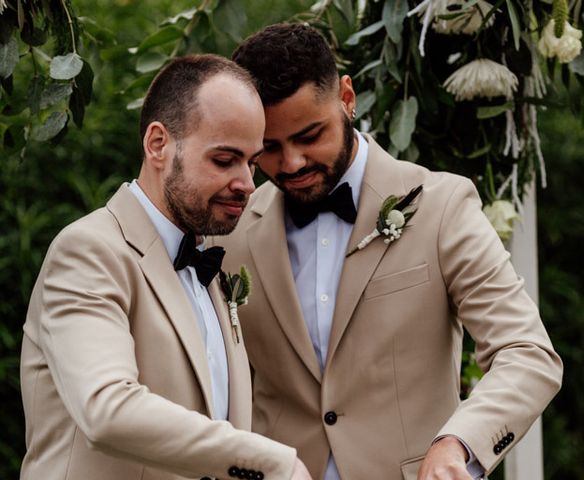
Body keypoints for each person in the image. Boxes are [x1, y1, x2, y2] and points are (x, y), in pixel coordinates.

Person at [218, 24, 563, 480]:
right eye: (270, 148)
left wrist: (458, 444)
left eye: (310, 135)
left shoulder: (442, 206)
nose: (292, 163)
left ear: (346, 97)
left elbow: (527, 352)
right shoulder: (229, 234)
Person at [20, 53, 312, 480]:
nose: (248, 184)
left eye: (251, 162)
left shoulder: (212, 262)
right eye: (224, 160)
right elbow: (107, 409)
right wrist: (270, 460)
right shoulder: (89, 250)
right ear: (158, 144)